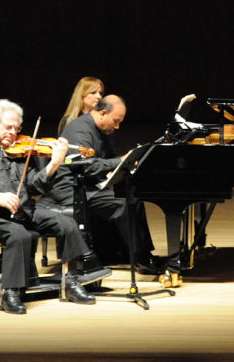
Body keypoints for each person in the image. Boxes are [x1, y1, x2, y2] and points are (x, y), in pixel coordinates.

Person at [0, 99, 96, 314]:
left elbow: (36, 186)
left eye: (17, 128)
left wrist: (54, 164)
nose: (14, 133)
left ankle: (72, 282)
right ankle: (10, 292)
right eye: (8, 127)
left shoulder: (21, 151)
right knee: (19, 235)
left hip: (22, 210)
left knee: (66, 223)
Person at [44, 95, 160, 272]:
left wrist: (125, 163)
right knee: (122, 203)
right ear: (103, 113)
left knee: (133, 195)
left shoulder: (104, 129)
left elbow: (110, 158)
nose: (117, 126)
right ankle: (141, 257)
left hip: (89, 185)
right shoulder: (80, 130)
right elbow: (86, 168)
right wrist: (120, 161)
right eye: (116, 121)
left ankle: (136, 252)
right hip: (72, 189)